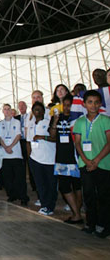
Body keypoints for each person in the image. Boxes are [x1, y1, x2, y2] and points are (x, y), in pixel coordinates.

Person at [73, 90, 110, 238]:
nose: (93, 105)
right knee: (88, 195)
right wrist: (87, 161)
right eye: (90, 102)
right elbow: (77, 143)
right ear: (84, 104)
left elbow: (109, 142)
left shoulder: (106, 120)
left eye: (96, 102)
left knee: (104, 196)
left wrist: (96, 160)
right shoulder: (80, 122)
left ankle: (104, 225)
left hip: (103, 164)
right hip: (85, 164)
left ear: (100, 104)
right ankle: (91, 223)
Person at [49, 94, 82, 224]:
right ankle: (77, 213)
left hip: (75, 156)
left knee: (77, 186)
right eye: (66, 105)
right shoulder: (57, 117)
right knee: (64, 186)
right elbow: (52, 135)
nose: (68, 108)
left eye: (70, 105)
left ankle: (77, 213)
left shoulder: (78, 119)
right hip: (62, 157)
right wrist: (55, 121)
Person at [27, 102, 57, 216]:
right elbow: (29, 142)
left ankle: (50, 205)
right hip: (35, 159)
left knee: (51, 184)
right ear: (33, 111)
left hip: (49, 158)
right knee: (40, 184)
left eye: (40, 110)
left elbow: (54, 138)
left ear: (44, 112)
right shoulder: (31, 124)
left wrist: (42, 137)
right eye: (35, 110)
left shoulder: (48, 122)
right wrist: (30, 157)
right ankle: (45, 205)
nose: (37, 112)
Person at [0, 104, 29, 206]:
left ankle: (23, 197)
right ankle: (12, 195)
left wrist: (10, 146)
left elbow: (18, 135)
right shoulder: (0, 123)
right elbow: (0, 137)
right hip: (5, 154)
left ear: (11, 111)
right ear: (2, 111)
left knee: (19, 177)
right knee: (8, 178)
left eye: (8, 109)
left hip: (16, 154)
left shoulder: (16, 122)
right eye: (5, 109)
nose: (7, 111)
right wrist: (5, 147)